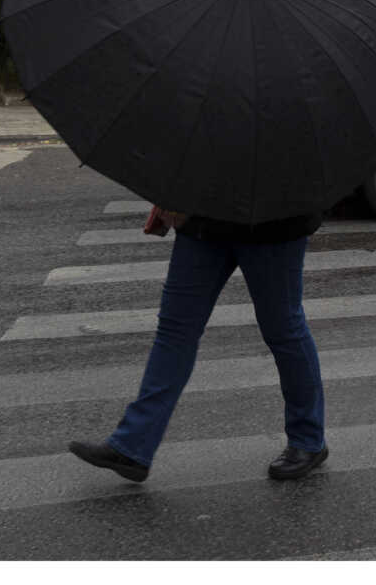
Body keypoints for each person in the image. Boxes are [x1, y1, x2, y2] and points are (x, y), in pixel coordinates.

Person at [69, 207, 328, 482]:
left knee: (283, 329)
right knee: (175, 330)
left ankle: (308, 439)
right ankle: (133, 445)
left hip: (273, 224)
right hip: (203, 220)